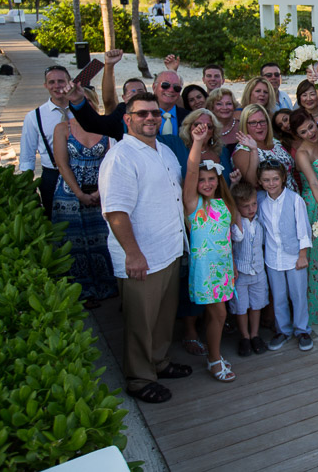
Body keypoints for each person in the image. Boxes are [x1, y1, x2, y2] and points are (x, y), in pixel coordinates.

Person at [99, 92, 192, 403]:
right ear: (128, 119)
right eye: (141, 114)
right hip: (141, 256)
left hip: (169, 249)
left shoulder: (164, 151)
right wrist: (133, 254)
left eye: (154, 113)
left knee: (163, 317)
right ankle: (139, 378)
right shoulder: (121, 157)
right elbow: (116, 211)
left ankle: (158, 361)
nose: (150, 118)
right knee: (140, 321)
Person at [182, 123, 239, 382]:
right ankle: (214, 359)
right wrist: (197, 142)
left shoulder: (223, 203)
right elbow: (192, 169)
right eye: (202, 180)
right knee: (219, 314)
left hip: (224, 268)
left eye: (211, 179)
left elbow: (227, 239)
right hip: (206, 271)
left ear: (219, 180)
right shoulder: (194, 205)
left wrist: (233, 265)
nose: (206, 183)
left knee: (218, 314)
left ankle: (214, 355)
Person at [51, 88, 115, 307]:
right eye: (78, 100)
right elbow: (62, 163)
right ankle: (81, 290)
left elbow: (111, 160)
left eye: (87, 100)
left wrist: (99, 191)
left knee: (104, 239)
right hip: (70, 194)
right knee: (73, 242)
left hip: (102, 190)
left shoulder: (105, 127)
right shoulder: (62, 128)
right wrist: (78, 192)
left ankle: (108, 285)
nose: (82, 103)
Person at [258, 160, 314, 352]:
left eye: (275, 179)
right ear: (260, 181)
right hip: (273, 257)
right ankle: (282, 330)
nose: (271, 183)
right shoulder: (260, 201)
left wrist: (302, 255)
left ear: (283, 179)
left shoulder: (294, 199)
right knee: (279, 295)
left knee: (298, 294)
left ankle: (302, 329)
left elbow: (303, 229)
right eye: (266, 180)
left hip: (294, 257)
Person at [291, 108, 318, 324]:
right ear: (297, 136)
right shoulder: (302, 153)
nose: (310, 133)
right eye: (303, 132)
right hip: (315, 203)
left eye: (310, 126)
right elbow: (313, 182)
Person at [20, 64, 72, 215]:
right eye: (52, 82)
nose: (57, 86)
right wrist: (27, 186)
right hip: (52, 175)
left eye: (61, 81)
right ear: (45, 85)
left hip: (81, 173)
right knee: (54, 220)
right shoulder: (34, 117)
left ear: (69, 82)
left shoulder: (83, 110)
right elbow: (27, 155)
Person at [228, 181, 269, 357]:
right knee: (241, 306)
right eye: (245, 206)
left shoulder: (259, 221)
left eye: (253, 204)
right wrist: (236, 213)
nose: (251, 209)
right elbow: (237, 237)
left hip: (258, 271)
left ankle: (255, 334)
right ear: (237, 207)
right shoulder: (236, 225)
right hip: (241, 273)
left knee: (257, 305)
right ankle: (244, 336)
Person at [233, 104, 297, 191]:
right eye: (253, 123)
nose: (259, 126)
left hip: (293, 197)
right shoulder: (242, 150)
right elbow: (252, 182)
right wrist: (254, 151)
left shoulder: (275, 141)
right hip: (269, 202)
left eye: (262, 121)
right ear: (245, 125)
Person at [207, 88, 240, 155]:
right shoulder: (207, 129)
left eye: (229, 104)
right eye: (219, 104)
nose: (225, 107)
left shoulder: (243, 126)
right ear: (212, 107)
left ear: (234, 106)